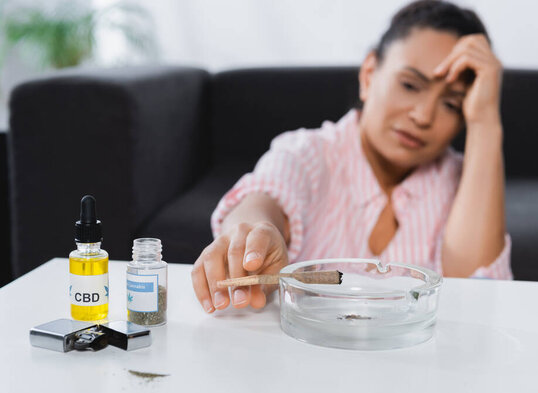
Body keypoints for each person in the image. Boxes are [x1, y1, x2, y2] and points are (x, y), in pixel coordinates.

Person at [191, 0, 513, 314]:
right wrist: (252, 235)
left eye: (451, 105)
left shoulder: (462, 184)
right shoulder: (309, 153)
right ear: (369, 74)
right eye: (410, 85)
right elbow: (263, 200)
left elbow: (476, 294)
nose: (423, 115)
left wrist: (485, 121)